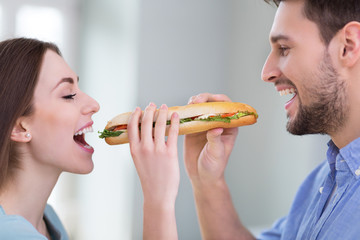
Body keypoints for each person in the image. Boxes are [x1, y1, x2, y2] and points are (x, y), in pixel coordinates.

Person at [183, 0, 360, 239]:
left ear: (348, 46)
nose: (266, 72)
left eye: (284, 48)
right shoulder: (321, 183)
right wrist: (206, 180)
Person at [0, 37, 180, 240]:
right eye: (68, 95)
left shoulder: (47, 220)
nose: (94, 104)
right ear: (19, 127)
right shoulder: (10, 233)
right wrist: (158, 199)